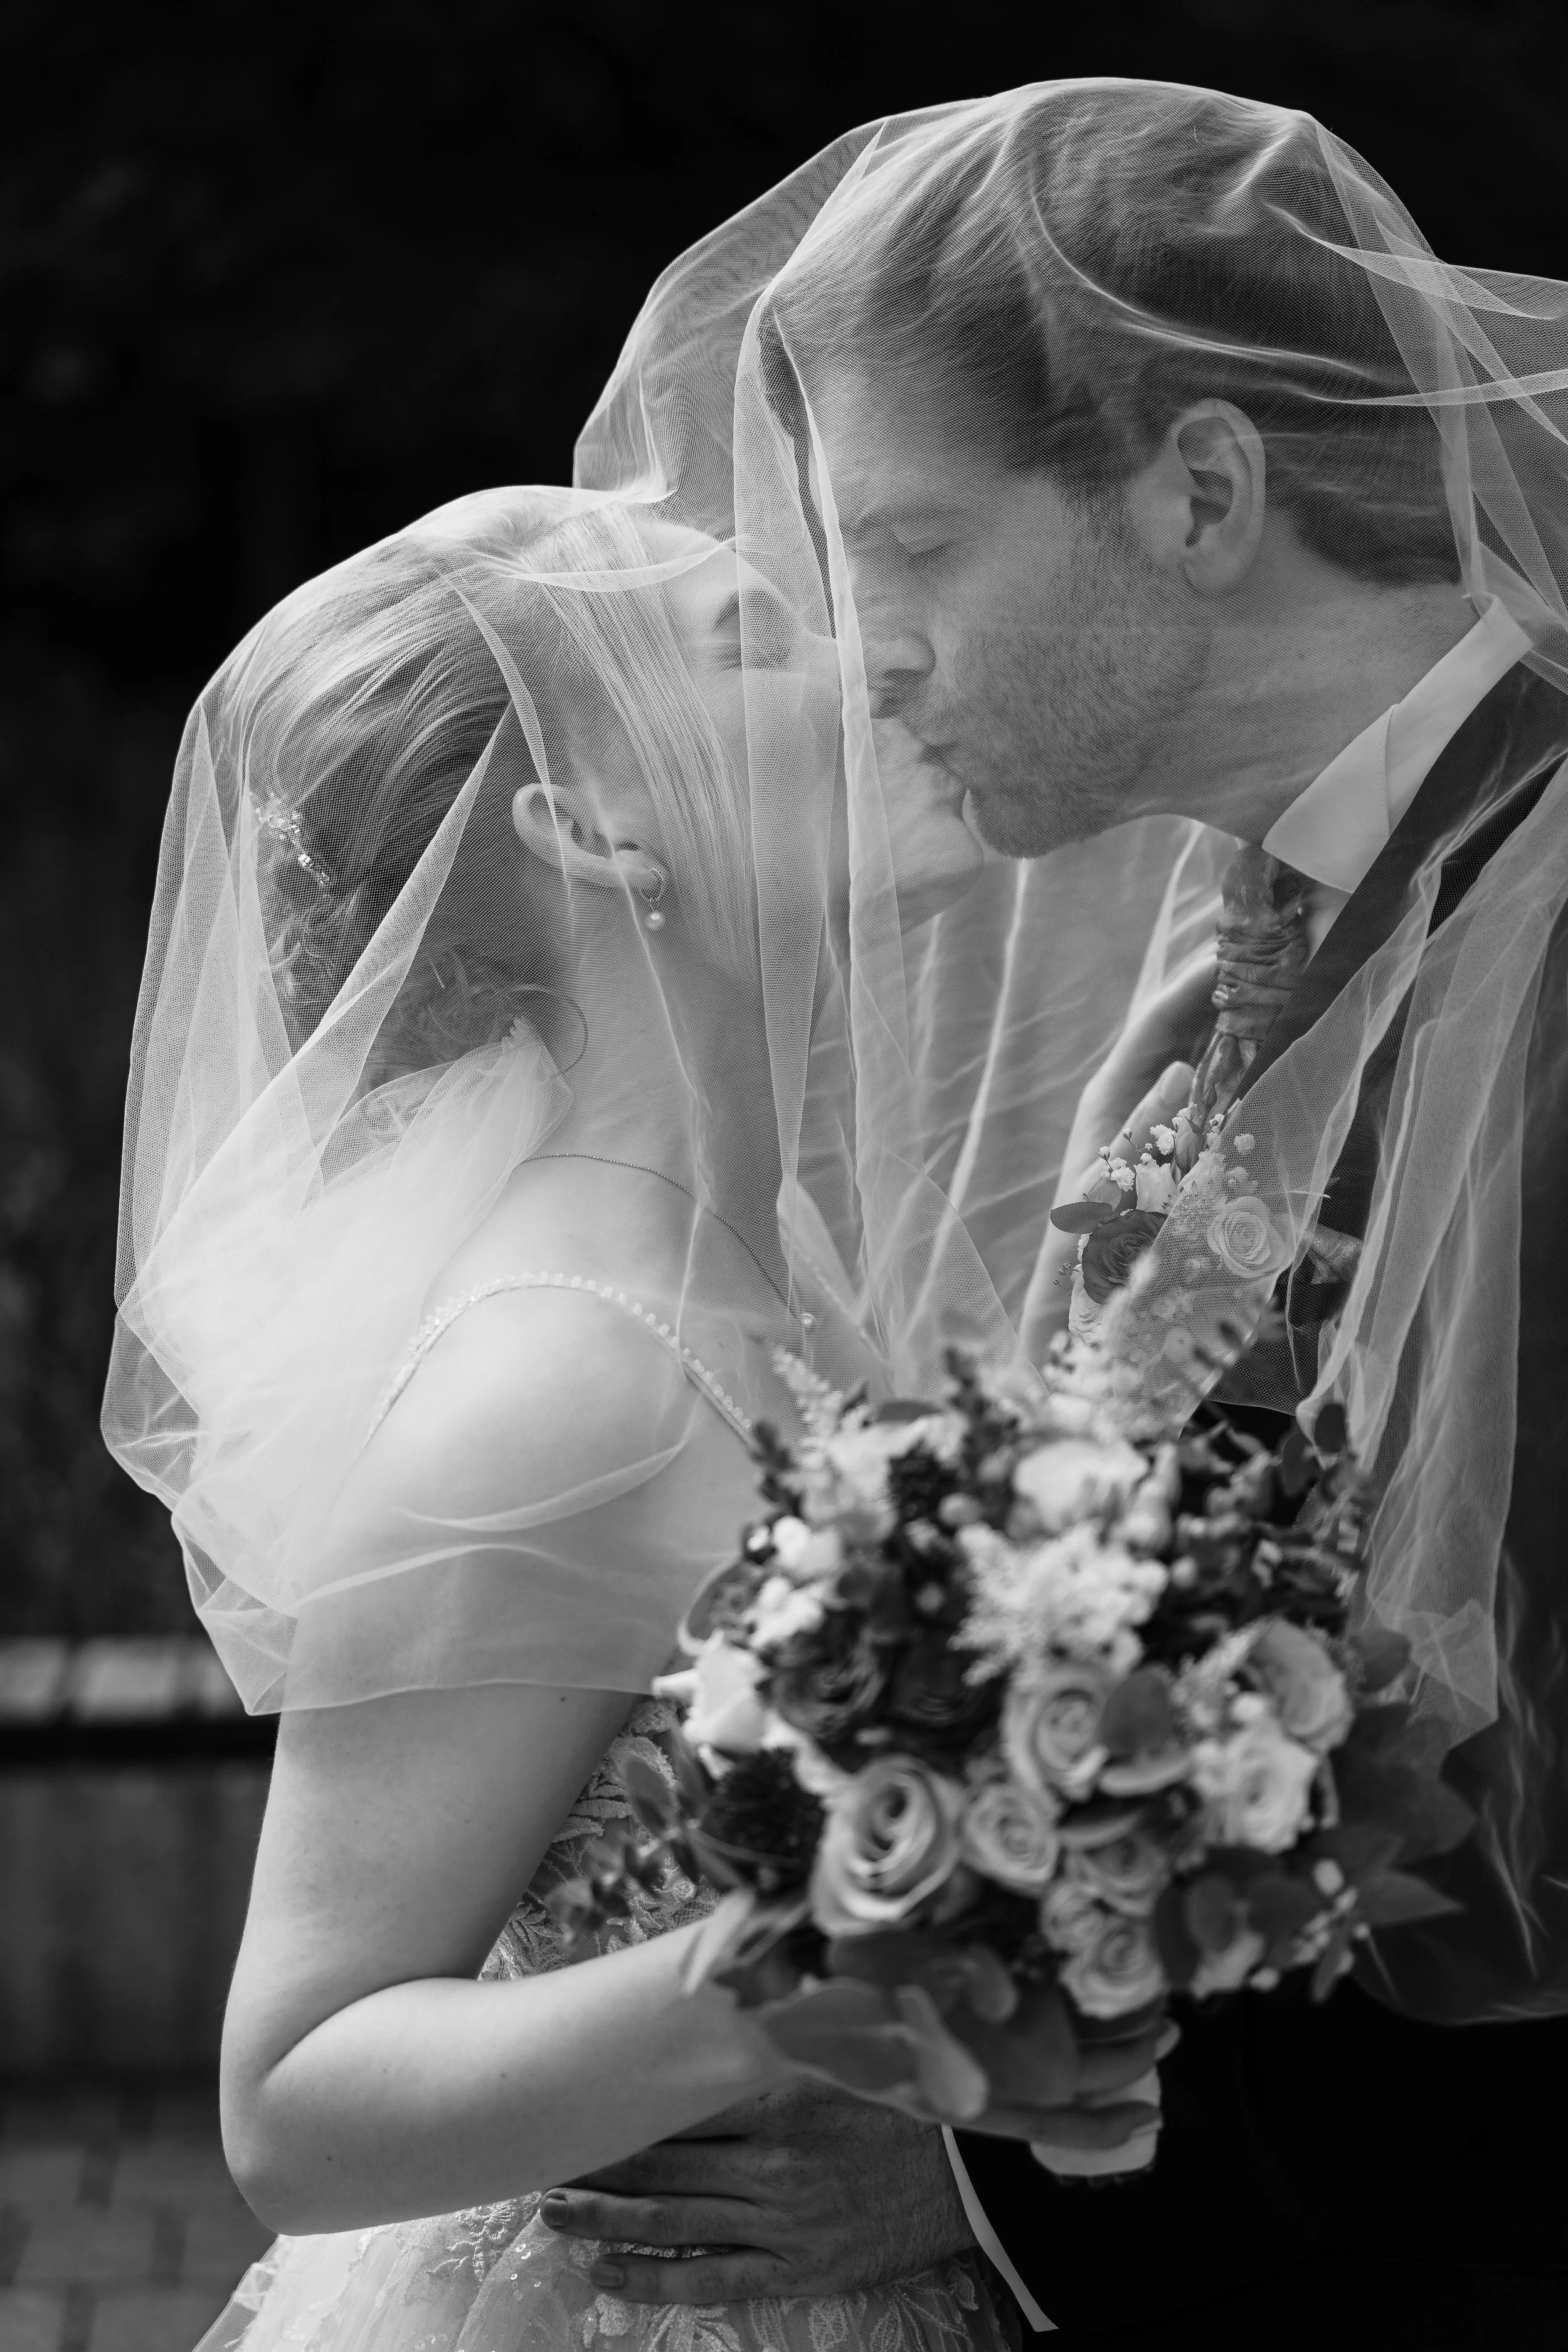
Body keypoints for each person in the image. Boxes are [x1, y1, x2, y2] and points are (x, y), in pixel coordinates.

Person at [536, 83, 1568, 2343]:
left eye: (907, 549)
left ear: (1202, 490)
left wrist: (1008, 2171)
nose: (863, 653)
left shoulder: (1544, 938)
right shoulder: (1257, 918)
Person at [107, 478, 1172, 2350]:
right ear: (583, 823)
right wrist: (831, 1945)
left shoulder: (761, 1276)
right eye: (759, 641)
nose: (867, 660)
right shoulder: (561, 1381)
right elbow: (296, 2099)